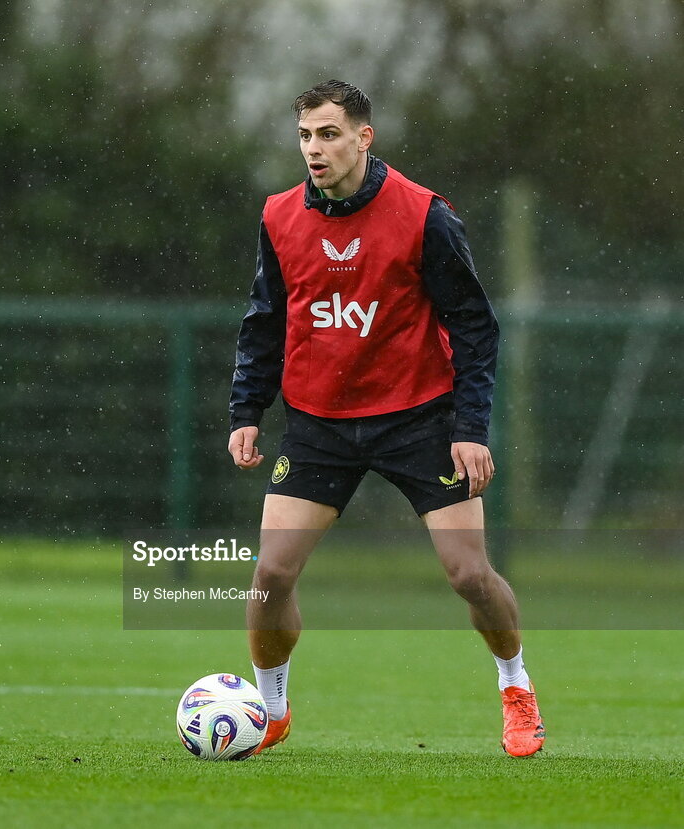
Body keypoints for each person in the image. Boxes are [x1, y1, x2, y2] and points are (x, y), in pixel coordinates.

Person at [228, 80, 544, 757]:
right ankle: (271, 709)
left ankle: (515, 686)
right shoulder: (280, 216)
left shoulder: (425, 215)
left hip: (418, 417)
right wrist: (246, 409)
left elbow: (473, 327)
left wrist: (469, 427)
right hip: (318, 421)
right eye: (306, 135)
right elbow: (266, 319)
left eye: (329, 134)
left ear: (363, 138)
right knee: (269, 576)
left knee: (467, 574)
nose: (314, 148)